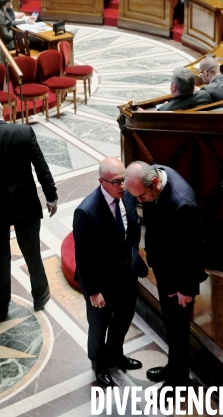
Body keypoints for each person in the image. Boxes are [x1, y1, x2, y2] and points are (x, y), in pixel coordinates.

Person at [124, 161, 207, 398]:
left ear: (156, 184)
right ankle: (174, 368)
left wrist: (186, 289)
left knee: (179, 330)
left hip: (180, 280)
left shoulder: (183, 204)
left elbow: (192, 251)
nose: (140, 202)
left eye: (142, 197)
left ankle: (179, 382)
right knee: (171, 327)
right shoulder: (154, 173)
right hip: (165, 270)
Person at [0, 95, 57, 322]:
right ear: (2, 111)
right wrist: (51, 196)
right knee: (32, 253)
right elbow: (41, 166)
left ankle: (1, 305)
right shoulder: (24, 132)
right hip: (25, 203)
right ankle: (40, 295)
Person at [73, 157, 142, 387]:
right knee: (99, 325)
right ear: (101, 181)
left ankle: (116, 355)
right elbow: (82, 257)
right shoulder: (86, 211)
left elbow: (133, 227)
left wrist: (131, 255)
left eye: (124, 180)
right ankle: (98, 364)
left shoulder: (128, 195)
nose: (123, 186)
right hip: (100, 282)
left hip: (125, 275)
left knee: (123, 318)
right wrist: (93, 291)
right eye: (116, 182)